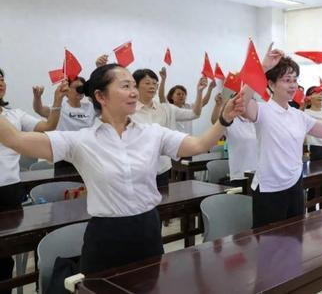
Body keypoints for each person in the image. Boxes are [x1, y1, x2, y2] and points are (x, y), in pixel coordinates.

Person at [0, 63, 244, 276]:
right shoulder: (80, 140)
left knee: (150, 286)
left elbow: (199, 144)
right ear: (101, 96)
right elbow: (15, 139)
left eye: (133, 86)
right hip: (106, 235)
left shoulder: (153, 134)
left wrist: (224, 120)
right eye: (125, 86)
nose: (134, 92)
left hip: (147, 228)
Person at [240, 44, 322, 228]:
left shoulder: (299, 116)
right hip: (269, 188)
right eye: (286, 80)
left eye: (295, 80)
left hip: (295, 186)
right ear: (271, 84)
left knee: (294, 242)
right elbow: (240, 103)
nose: (292, 85)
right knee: (270, 245)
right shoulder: (263, 110)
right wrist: (263, 67)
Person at [1, 68, 67, 292]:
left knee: (4, 252)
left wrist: (57, 101)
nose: (0, 83)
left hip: (9, 189)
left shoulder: (14, 115)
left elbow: (48, 127)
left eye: (2, 79)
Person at [131, 68, 207, 187]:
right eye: (147, 83)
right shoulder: (127, 110)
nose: (152, 86)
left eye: (155, 83)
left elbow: (194, 114)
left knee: (164, 203)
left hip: (162, 168)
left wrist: (199, 91)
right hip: (137, 170)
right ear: (135, 86)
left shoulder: (166, 108)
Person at [210, 93, 258, 186]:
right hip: (241, 176)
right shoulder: (231, 121)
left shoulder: (256, 121)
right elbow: (215, 121)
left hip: (259, 174)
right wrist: (218, 105)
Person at [158, 67, 216, 134]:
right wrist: (163, 80)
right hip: (173, 142)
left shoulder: (188, 107)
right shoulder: (168, 107)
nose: (181, 96)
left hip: (187, 141)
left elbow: (203, 102)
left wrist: (210, 89)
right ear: (171, 96)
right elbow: (161, 97)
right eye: (178, 94)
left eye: (183, 94)